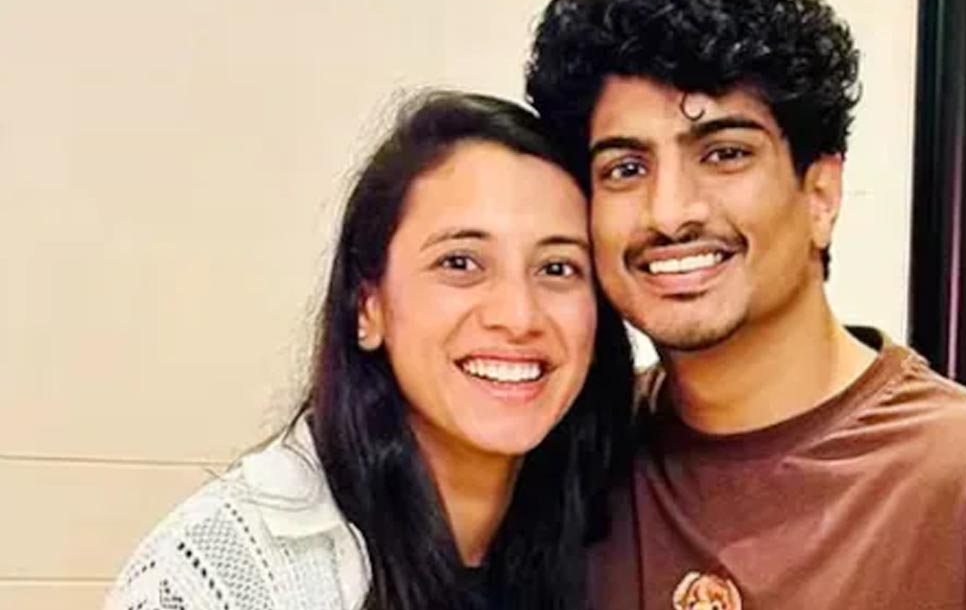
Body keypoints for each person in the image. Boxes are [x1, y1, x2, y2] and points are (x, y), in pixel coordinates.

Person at [526, 0, 966, 608]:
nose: (670, 213)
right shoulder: (567, 457)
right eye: (625, 169)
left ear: (820, 194)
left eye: (724, 154)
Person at [104, 92, 634, 610]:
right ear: (367, 307)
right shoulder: (220, 572)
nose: (518, 316)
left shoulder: (613, 535)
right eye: (460, 263)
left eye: (557, 268)